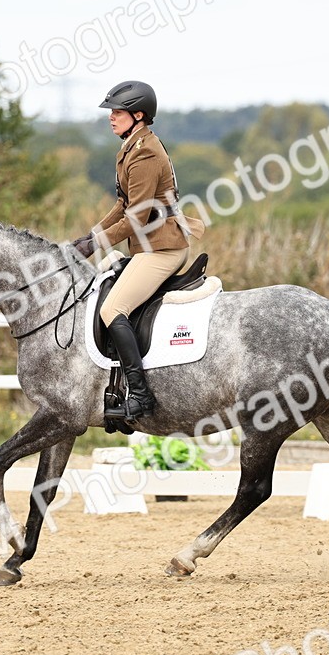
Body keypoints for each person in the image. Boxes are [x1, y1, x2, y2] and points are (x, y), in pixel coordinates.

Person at [72, 80, 205, 422]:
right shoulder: (133, 146)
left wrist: (96, 243)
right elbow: (122, 204)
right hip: (148, 247)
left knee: (112, 308)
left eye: (117, 113)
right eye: (112, 112)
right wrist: (90, 236)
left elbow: (137, 216)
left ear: (138, 115)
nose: (111, 118)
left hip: (162, 249)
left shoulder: (145, 153)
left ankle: (141, 395)